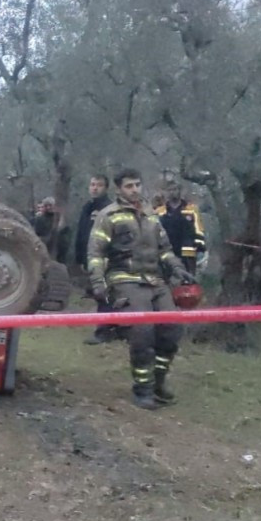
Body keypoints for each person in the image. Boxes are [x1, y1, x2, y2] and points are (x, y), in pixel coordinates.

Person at [87, 168, 197, 410]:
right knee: (142, 331)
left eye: (137, 184)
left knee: (171, 329)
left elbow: (165, 250)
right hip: (124, 280)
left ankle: (158, 383)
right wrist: (98, 283)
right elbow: (95, 253)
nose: (135, 189)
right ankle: (143, 389)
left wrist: (178, 268)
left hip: (156, 281)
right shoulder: (109, 216)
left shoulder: (150, 214)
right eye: (129, 186)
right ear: (119, 189)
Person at [74, 175, 117, 345]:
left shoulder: (109, 208)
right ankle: (111, 327)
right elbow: (82, 234)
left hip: (105, 258)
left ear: (106, 188)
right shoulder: (87, 207)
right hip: (90, 257)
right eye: (92, 184)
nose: (94, 188)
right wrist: (80, 258)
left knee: (104, 294)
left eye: (99, 185)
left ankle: (104, 331)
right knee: (99, 293)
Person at [153, 180, 206, 274]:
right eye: (169, 190)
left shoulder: (192, 210)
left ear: (180, 191)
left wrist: (200, 247)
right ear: (165, 193)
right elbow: (155, 232)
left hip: (188, 254)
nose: (172, 192)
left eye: (175, 189)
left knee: (188, 282)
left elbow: (199, 229)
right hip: (167, 254)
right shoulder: (159, 212)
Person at [31, 197, 71, 262]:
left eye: (50, 205)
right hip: (46, 247)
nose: (49, 207)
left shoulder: (60, 218)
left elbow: (66, 233)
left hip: (59, 249)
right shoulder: (40, 219)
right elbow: (38, 234)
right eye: (47, 206)